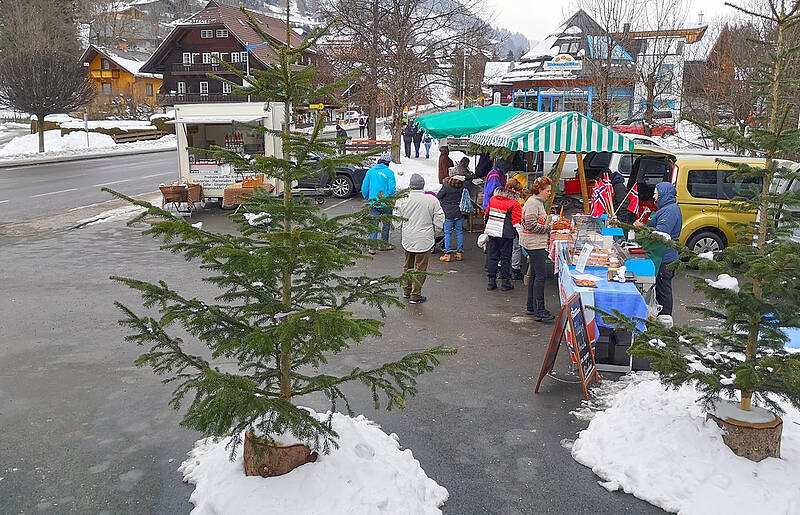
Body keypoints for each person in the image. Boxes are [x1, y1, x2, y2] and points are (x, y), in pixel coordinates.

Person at [394, 173, 445, 304]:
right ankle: (415, 294)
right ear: (423, 185)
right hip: (424, 238)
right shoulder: (431, 200)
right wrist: (436, 231)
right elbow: (439, 218)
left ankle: (406, 289)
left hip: (408, 237)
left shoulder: (402, 199)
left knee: (408, 264)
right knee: (420, 267)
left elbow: (396, 219)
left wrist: (400, 229)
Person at [634, 182, 682, 317]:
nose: (654, 197)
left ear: (664, 194)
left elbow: (661, 234)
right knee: (661, 289)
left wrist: (642, 228)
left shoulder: (670, 211)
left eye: (656, 193)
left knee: (663, 290)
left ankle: (665, 319)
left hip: (665, 257)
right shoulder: (665, 208)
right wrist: (643, 225)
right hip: (661, 255)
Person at [520, 176, 555, 322]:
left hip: (534, 243)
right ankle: (540, 310)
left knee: (534, 275)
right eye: (547, 191)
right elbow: (531, 225)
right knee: (540, 276)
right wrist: (548, 228)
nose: (549, 193)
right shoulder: (533, 203)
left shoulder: (537, 202)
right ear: (540, 190)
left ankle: (531, 306)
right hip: (534, 244)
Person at [484, 180, 523, 292]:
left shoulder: (493, 199)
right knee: (505, 258)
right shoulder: (514, 203)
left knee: (492, 256)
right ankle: (505, 282)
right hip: (506, 234)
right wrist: (521, 236)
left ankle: (491, 282)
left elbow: (486, 215)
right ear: (514, 191)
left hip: (492, 232)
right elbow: (516, 222)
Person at [361, 152, 397, 255]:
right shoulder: (389, 173)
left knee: (374, 225)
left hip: (373, 203)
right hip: (386, 203)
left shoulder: (371, 171)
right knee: (386, 224)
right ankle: (383, 244)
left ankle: (371, 247)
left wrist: (367, 197)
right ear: (388, 162)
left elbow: (364, 187)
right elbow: (391, 190)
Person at [436, 174, 466, 262]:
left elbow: (439, 196)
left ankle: (447, 254)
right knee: (459, 232)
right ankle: (459, 253)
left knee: (447, 233)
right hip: (459, 211)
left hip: (448, 212)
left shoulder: (446, 187)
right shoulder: (462, 187)